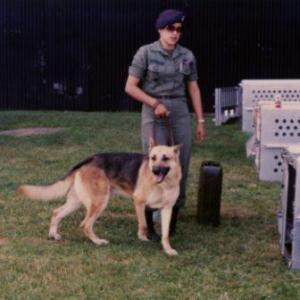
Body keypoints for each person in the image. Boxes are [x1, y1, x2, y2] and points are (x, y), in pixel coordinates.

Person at [125, 9, 205, 240]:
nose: (175, 33)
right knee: (154, 164)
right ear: (160, 29)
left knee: (181, 165)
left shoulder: (187, 55)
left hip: (179, 110)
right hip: (153, 109)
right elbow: (130, 86)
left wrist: (200, 120)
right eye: (170, 29)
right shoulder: (146, 53)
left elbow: (193, 88)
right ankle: (148, 224)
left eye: (179, 29)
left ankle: (172, 221)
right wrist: (153, 103)